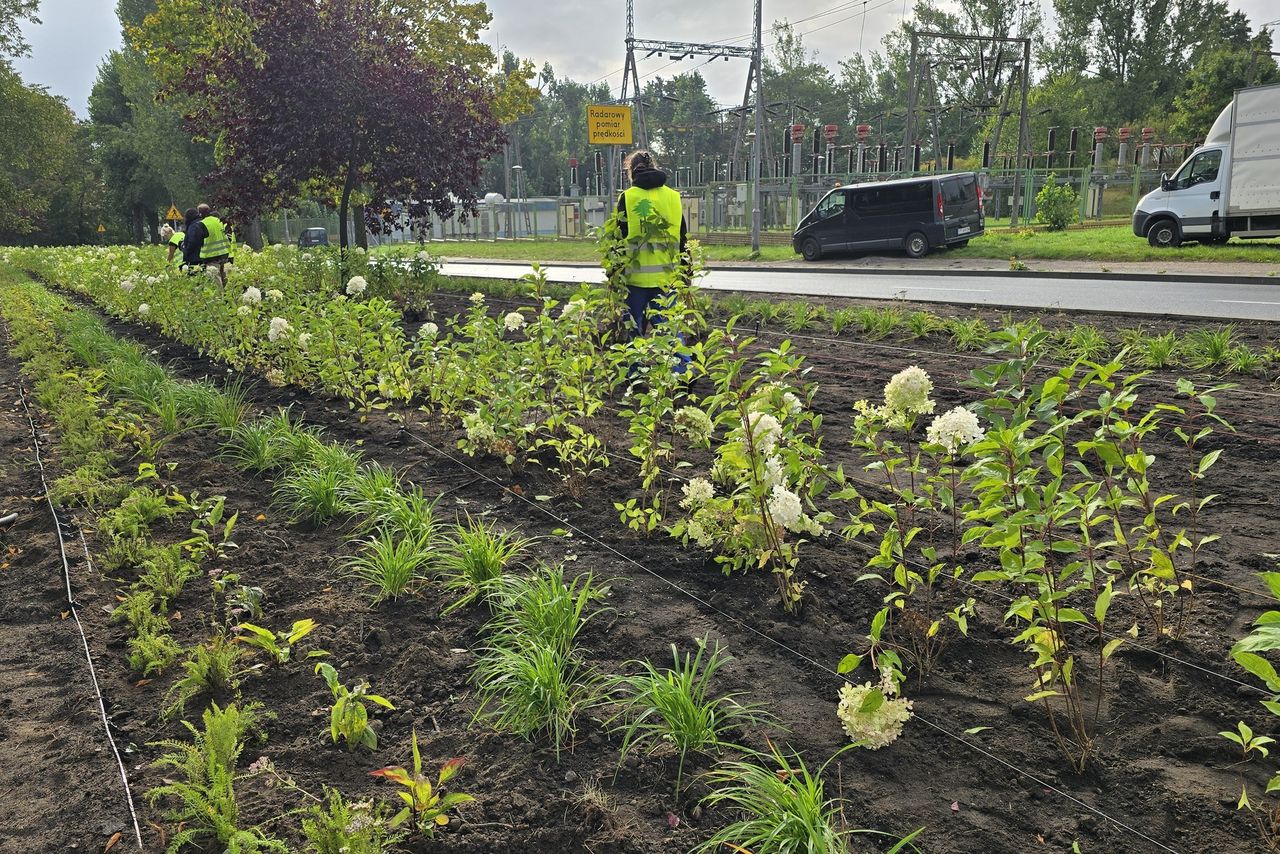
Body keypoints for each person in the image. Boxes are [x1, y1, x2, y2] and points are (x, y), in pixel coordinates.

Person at [614, 149, 690, 342]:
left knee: (633, 332)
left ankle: (636, 372)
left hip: (635, 279)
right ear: (654, 166)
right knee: (670, 332)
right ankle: (681, 369)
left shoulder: (628, 197)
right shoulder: (672, 197)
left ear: (631, 172)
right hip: (667, 277)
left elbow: (618, 238)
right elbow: (682, 238)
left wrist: (614, 271)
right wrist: (686, 271)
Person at [184, 203, 234, 285]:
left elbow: (195, 242)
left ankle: (220, 297)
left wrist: (186, 250)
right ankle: (227, 296)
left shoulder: (201, 224)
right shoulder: (218, 221)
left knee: (216, 282)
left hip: (211, 256)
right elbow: (228, 234)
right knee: (225, 279)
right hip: (224, 253)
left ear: (200, 213)